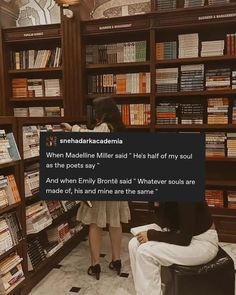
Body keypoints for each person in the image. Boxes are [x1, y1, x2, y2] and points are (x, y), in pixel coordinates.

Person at [61, 96, 130, 280]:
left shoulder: (104, 128)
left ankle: (95, 265)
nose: (96, 115)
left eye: (97, 112)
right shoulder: (120, 129)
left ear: (104, 113)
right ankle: (116, 260)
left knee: (95, 223)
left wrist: (72, 129)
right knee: (115, 222)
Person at [128, 201, 219, 295]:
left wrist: (151, 234)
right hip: (179, 233)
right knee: (134, 244)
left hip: (202, 243)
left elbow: (184, 239)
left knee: (145, 252)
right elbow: (163, 221)